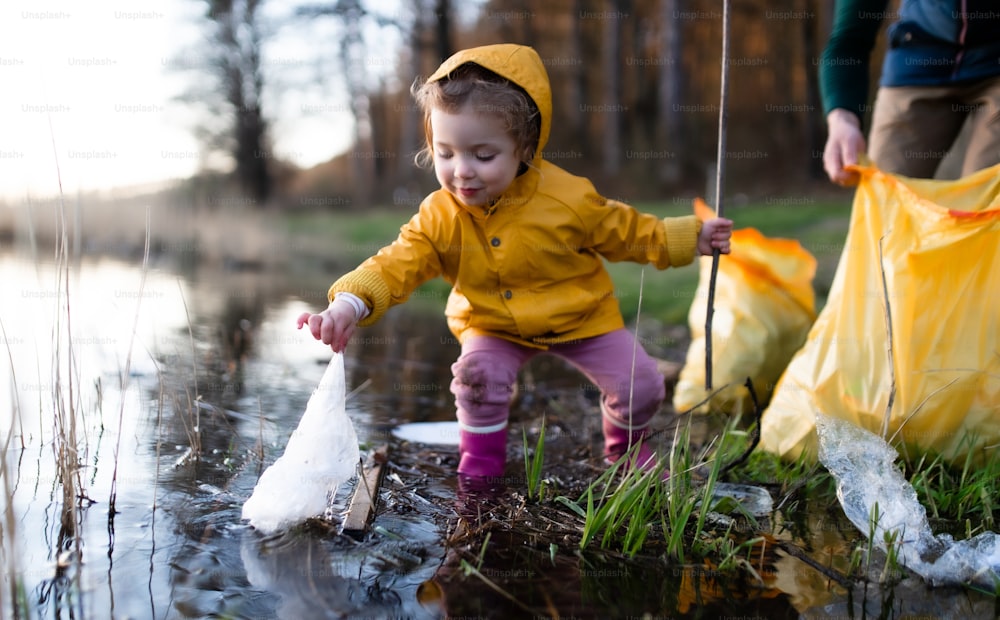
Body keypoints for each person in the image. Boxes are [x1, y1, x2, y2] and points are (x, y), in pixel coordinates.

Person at [297, 44, 733, 482]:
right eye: (445, 154)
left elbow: (629, 232)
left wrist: (690, 237)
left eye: (482, 155)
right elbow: (397, 262)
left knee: (640, 386)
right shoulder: (441, 214)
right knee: (477, 378)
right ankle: (481, 467)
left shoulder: (568, 198)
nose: (462, 171)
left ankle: (625, 450)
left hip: (581, 316)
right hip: (491, 323)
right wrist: (349, 303)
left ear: (524, 146)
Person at [821, 0, 1000, 186]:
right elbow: (850, 37)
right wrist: (842, 119)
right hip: (916, 58)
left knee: (988, 197)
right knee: (886, 194)